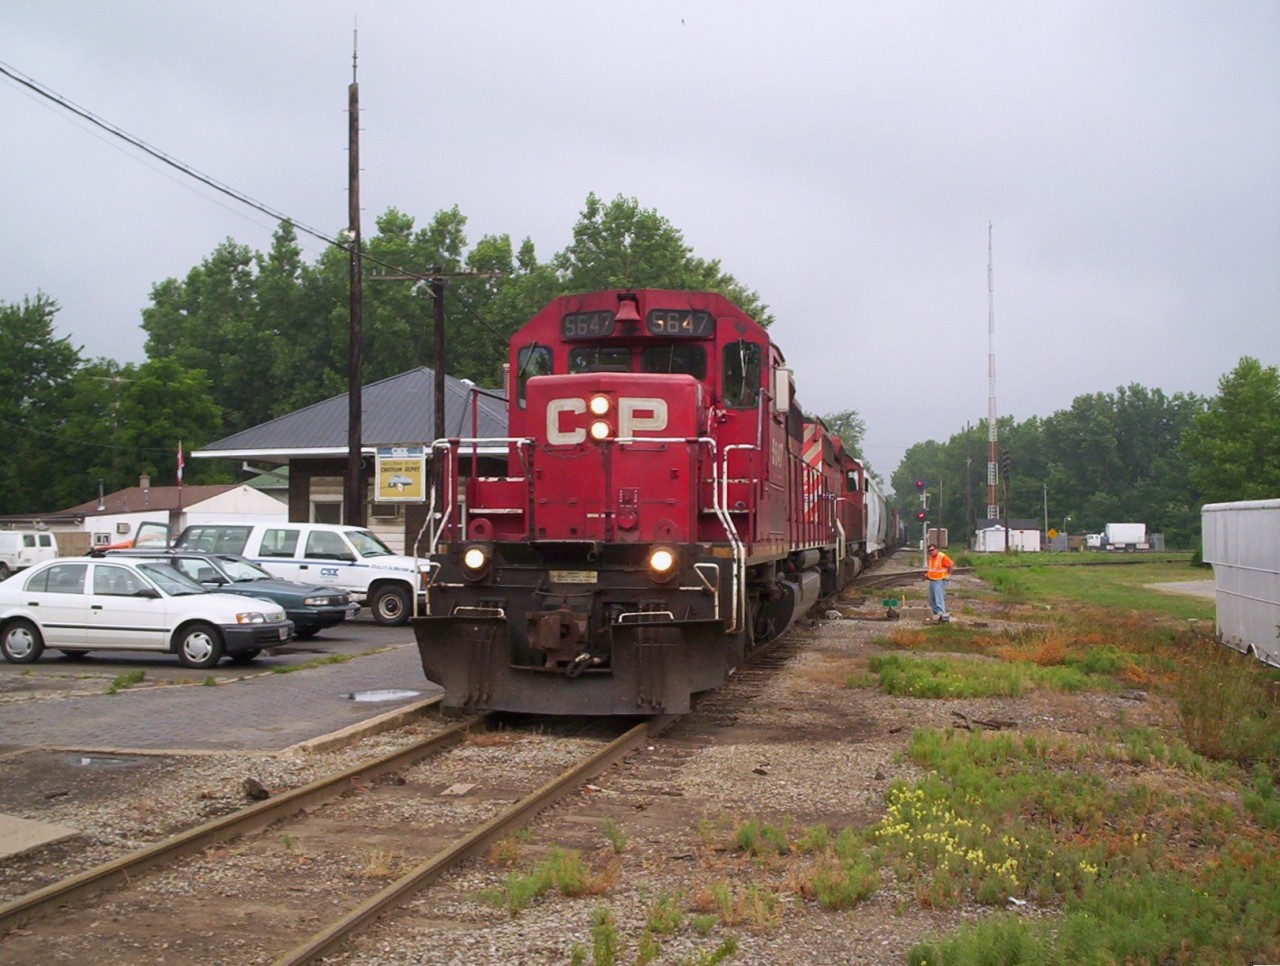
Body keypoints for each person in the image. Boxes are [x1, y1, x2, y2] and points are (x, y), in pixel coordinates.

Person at [924, 543, 954, 622]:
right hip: (932, 580)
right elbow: (932, 568)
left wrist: (948, 575)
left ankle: (942, 615)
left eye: (932, 550)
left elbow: (950, 564)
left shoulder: (942, 556)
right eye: (929, 551)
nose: (931, 552)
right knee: (931, 599)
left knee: (939, 599)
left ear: (936, 549)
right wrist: (927, 575)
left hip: (939, 580)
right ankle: (935, 613)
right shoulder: (931, 558)